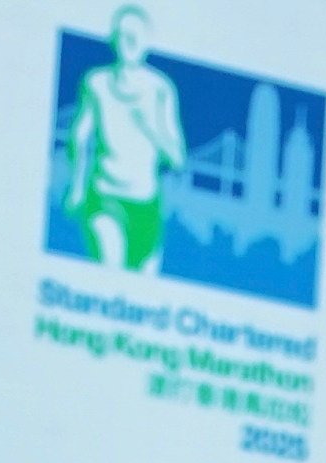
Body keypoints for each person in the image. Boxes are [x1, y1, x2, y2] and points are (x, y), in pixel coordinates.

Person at [60, 8, 188, 274]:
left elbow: (177, 159)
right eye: (123, 35)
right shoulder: (96, 83)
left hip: (146, 203)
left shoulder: (161, 89)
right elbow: (80, 136)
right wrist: (77, 187)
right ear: (113, 40)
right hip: (105, 196)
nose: (129, 42)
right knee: (111, 276)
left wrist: (151, 127)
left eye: (136, 36)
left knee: (143, 293)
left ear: (147, 42)